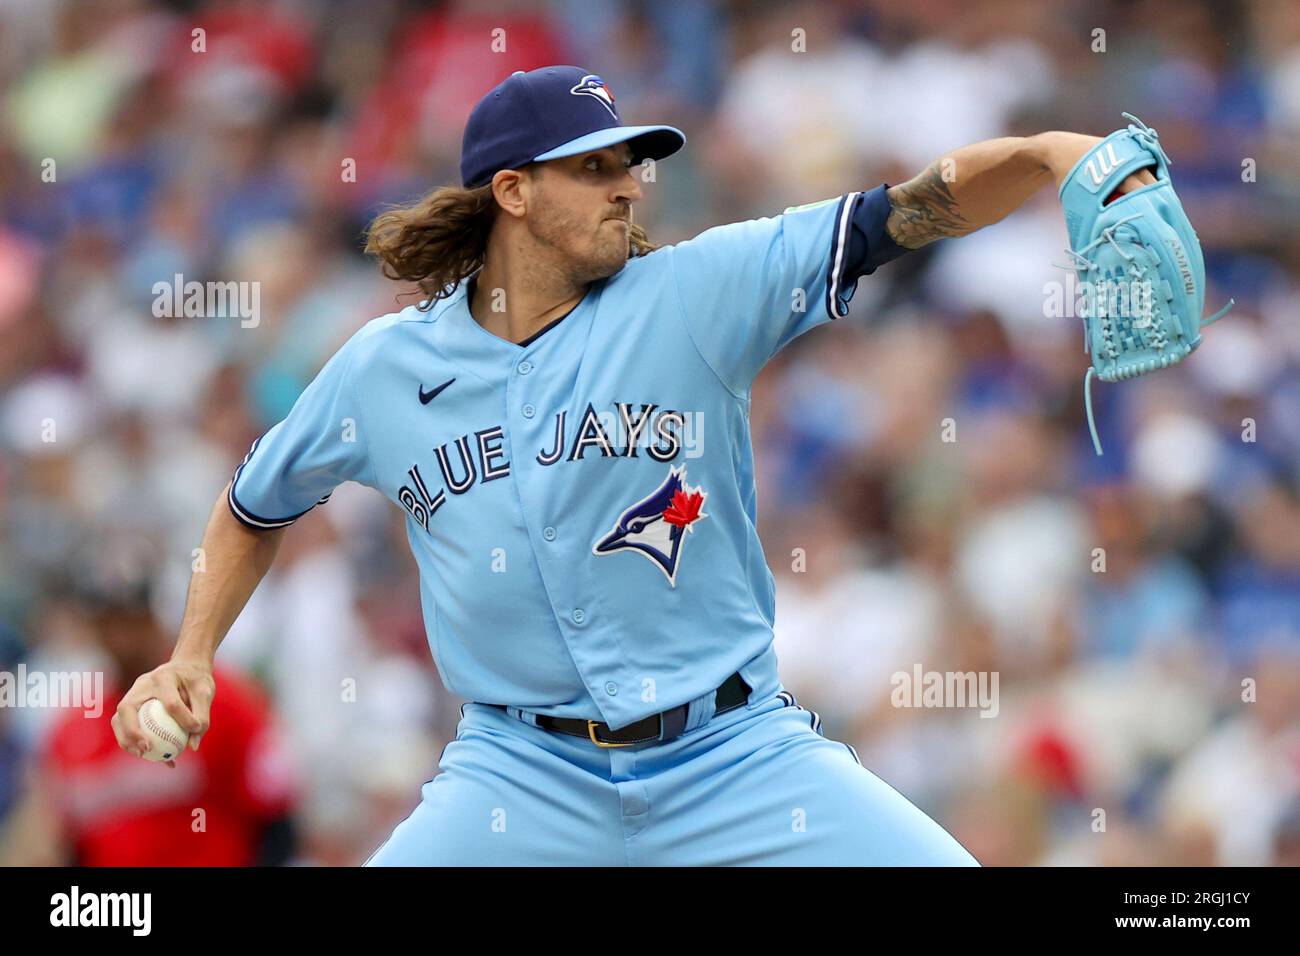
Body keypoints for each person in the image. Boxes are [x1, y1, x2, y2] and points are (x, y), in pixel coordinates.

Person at [113, 65, 1151, 865]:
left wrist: (1050, 151)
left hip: (733, 756)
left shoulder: (694, 293)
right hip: (520, 771)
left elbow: (903, 210)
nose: (628, 187)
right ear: (512, 191)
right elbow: (253, 507)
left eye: (629, 163)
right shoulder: (387, 366)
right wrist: (195, 648)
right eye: (595, 167)